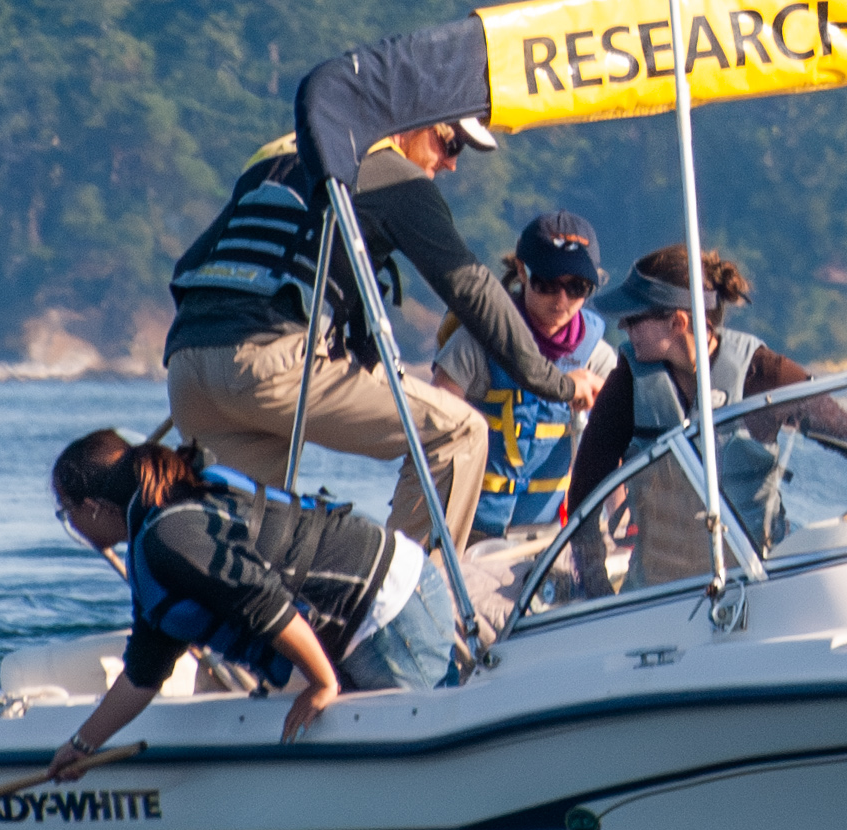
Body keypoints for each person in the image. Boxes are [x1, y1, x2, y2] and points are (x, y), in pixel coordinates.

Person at [162, 122, 602, 553]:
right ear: (408, 123)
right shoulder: (392, 173)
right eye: (449, 142)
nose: (450, 163)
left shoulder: (279, 151)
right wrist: (558, 384)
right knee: (461, 432)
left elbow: (190, 263)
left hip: (186, 363)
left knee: (234, 551)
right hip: (268, 362)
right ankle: (409, 604)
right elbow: (470, 287)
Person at [43, 429, 455, 780]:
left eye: (67, 512)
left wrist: (321, 683)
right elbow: (144, 672)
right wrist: (83, 746)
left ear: (93, 508)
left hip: (388, 606)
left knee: (425, 766)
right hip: (368, 615)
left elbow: (264, 602)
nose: (69, 524)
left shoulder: (169, 537)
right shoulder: (158, 531)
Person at [566, 244, 847, 589]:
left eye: (633, 318)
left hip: (757, 583)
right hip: (656, 594)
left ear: (678, 321)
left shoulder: (762, 372)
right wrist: (595, 587)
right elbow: (585, 492)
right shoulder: (629, 380)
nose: (623, 326)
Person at [431, 211, 621, 638]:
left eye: (577, 288)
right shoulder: (479, 340)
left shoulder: (597, 358)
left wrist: (624, 523)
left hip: (550, 536)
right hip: (472, 532)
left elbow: (615, 452)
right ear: (521, 272)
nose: (561, 300)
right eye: (547, 284)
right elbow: (432, 427)